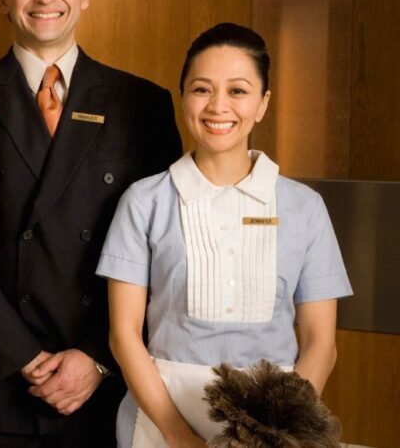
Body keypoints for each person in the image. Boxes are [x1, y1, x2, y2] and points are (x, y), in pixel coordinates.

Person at [0, 0, 183, 446]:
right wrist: (20, 354)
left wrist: (97, 357)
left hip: (107, 381)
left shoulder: (143, 103)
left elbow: (163, 251)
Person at [97, 22, 352, 446]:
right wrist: (179, 436)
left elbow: (320, 342)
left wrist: (280, 432)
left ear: (263, 103)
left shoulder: (305, 207)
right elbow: (123, 336)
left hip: (277, 425)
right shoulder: (143, 202)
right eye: (202, 89)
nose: (218, 106)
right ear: (183, 97)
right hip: (163, 421)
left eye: (238, 90)